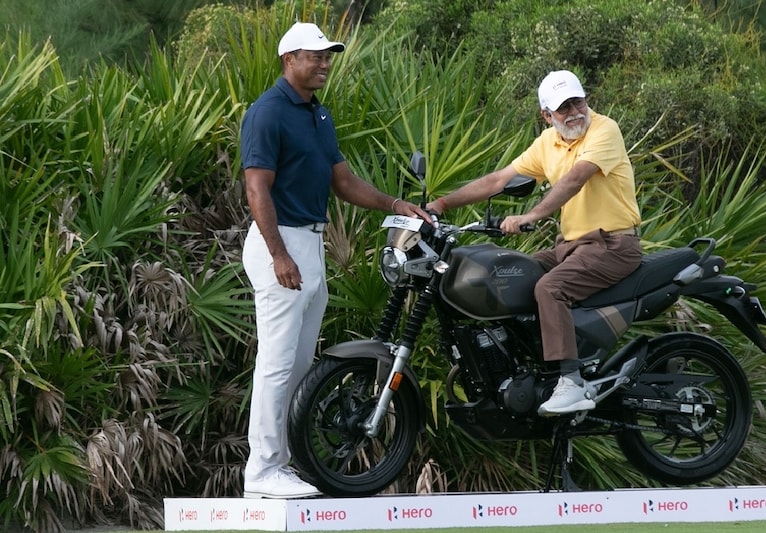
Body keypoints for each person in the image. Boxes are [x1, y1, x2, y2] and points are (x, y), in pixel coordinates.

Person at [239, 22, 431, 499]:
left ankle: (280, 466)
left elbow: (342, 181)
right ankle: (261, 471)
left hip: (310, 245)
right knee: (277, 364)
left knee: (301, 364)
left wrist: (394, 204)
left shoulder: (317, 115)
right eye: (315, 55)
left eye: (328, 56)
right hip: (278, 241)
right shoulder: (267, 112)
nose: (325, 62)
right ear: (289, 60)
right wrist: (278, 254)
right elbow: (255, 188)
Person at [428, 70, 642, 416]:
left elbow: (575, 178)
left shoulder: (605, 129)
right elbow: (500, 179)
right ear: (546, 115)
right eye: (563, 107)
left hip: (613, 245)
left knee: (549, 288)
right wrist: (441, 205)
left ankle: (570, 382)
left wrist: (532, 215)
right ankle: (527, 367)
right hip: (570, 246)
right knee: (510, 272)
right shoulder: (548, 143)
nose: (574, 111)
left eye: (577, 101)